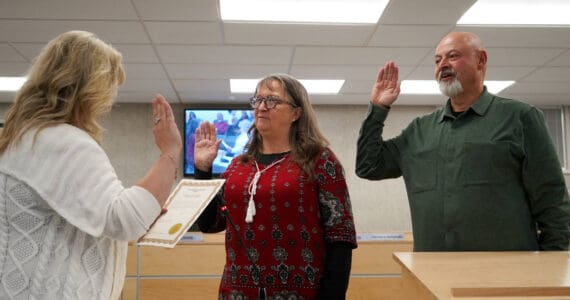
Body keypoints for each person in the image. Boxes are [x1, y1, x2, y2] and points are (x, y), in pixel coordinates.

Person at [0, 31, 182, 299]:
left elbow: (85, 213)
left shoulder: (24, 137)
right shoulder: (62, 141)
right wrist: (170, 150)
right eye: (109, 87)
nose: (109, 101)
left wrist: (147, 210)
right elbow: (126, 219)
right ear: (90, 88)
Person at [356, 31, 570, 251]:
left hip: (504, 275)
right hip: (433, 274)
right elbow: (368, 165)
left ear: (481, 60)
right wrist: (378, 109)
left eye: (453, 56)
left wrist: (549, 266)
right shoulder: (419, 130)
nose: (442, 65)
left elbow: (553, 201)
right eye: (437, 60)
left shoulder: (520, 118)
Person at [194, 73, 357, 299]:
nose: (261, 107)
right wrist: (202, 170)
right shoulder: (237, 167)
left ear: (296, 113)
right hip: (237, 293)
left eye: (271, 100)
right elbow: (210, 224)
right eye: (257, 100)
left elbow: (341, 236)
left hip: (302, 292)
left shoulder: (320, 160)